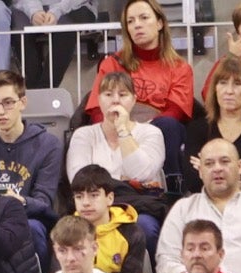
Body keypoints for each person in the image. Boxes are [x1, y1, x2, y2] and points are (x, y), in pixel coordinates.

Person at [82, 0, 193, 182]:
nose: (137, 25)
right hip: (116, 125)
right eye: (130, 21)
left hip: (159, 129)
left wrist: (141, 130)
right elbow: (97, 109)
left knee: (169, 125)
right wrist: (119, 128)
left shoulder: (180, 67)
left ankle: (172, 187)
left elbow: (176, 111)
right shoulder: (112, 64)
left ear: (160, 23)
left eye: (143, 18)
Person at [0, 70, 63, 247]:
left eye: (8, 102)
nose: (1, 111)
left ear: (22, 102)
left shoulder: (48, 145)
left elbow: (44, 201)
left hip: (28, 219)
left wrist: (20, 201)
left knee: (31, 228)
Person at [156, 138, 241, 273]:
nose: (217, 169)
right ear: (200, 171)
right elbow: (166, 260)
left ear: (240, 166)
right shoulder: (183, 209)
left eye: (224, 161)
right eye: (209, 164)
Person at [66, 71, 167, 199]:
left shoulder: (151, 133)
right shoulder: (83, 135)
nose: (115, 101)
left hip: (140, 204)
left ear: (134, 100)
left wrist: (122, 130)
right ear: (99, 100)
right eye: (108, 94)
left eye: (122, 95)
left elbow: (141, 174)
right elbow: (78, 180)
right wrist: (124, 182)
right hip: (95, 204)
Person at [185, 55, 241, 194]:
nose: (229, 91)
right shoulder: (198, 129)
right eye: (223, 83)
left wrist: (211, 174)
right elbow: (193, 182)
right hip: (209, 204)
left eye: (237, 84)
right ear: (215, 89)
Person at [70, 164, 146, 273]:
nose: (85, 203)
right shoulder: (66, 233)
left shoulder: (132, 234)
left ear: (110, 198)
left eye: (94, 195)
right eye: (79, 197)